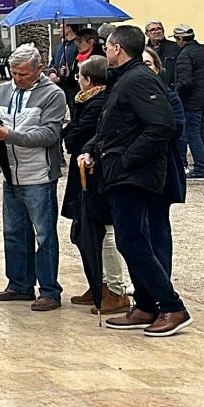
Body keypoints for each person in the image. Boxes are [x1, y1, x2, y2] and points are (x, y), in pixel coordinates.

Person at [88, 24, 191, 336]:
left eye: (107, 46)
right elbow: (113, 126)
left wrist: (127, 160)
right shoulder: (124, 79)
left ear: (118, 49)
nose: (104, 50)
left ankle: (172, 307)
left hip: (134, 175)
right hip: (121, 172)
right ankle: (145, 306)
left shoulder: (138, 79)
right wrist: (93, 150)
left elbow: (162, 125)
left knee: (131, 241)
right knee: (131, 240)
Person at [0, 45, 68, 311]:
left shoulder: (53, 94)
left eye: (23, 74)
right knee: (13, 233)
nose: (17, 78)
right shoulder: (2, 91)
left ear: (39, 70)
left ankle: (49, 290)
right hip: (10, 175)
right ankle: (19, 284)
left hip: (39, 176)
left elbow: (51, 135)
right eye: (14, 73)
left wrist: (10, 136)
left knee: (44, 234)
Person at [61, 57, 128, 315]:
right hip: (81, 173)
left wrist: (70, 133)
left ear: (88, 79)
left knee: (104, 232)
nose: (76, 79)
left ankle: (115, 289)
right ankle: (97, 283)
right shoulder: (84, 101)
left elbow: (76, 136)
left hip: (96, 173)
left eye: (79, 75)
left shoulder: (98, 102)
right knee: (83, 231)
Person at [171, 24, 204, 182]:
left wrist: (176, 96)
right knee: (203, 133)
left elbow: (185, 82)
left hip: (191, 101)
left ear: (180, 39)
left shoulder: (184, 55)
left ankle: (201, 168)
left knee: (193, 134)